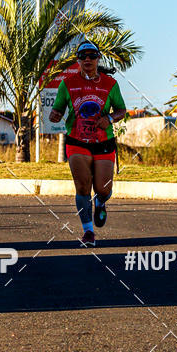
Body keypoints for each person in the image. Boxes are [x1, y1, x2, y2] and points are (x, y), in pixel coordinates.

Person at [49, 40, 126, 247]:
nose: (88, 59)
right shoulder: (68, 84)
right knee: (82, 187)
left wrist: (109, 119)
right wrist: (55, 114)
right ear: (78, 61)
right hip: (76, 141)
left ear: (98, 58)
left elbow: (121, 110)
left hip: (103, 140)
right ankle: (88, 232)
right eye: (83, 56)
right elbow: (58, 108)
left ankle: (100, 202)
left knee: (103, 188)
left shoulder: (110, 84)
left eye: (92, 55)